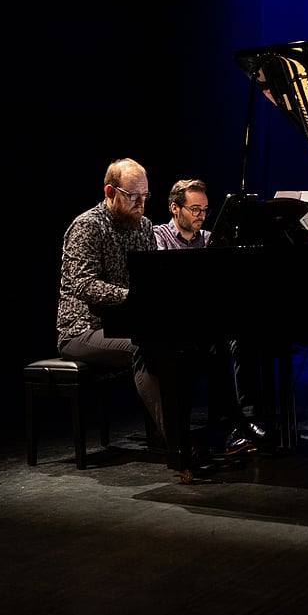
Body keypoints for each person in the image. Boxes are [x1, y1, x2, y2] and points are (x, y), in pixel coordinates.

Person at [55, 157, 206, 482]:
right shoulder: (87, 226)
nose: (140, 203)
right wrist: (132, 299)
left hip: (127, 323)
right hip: (82, 330)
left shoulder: (144, 227)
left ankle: (176, 435)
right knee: (142, 346)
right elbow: (83, 283)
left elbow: (151, 278)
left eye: (145, 197)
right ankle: (177, 445)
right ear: (110, 191)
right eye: (133, 196)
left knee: (183, 344)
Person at [154, 178, 270, 457]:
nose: (201, 216)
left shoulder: (209, 241)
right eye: (195, 209)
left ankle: (246, 419)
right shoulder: (159, 236)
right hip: (176, 326)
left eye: (205, 210)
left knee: (244, 338)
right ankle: (236, 424)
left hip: (208, 324)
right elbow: (164, 283)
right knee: (216, 345)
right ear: (175, 208)